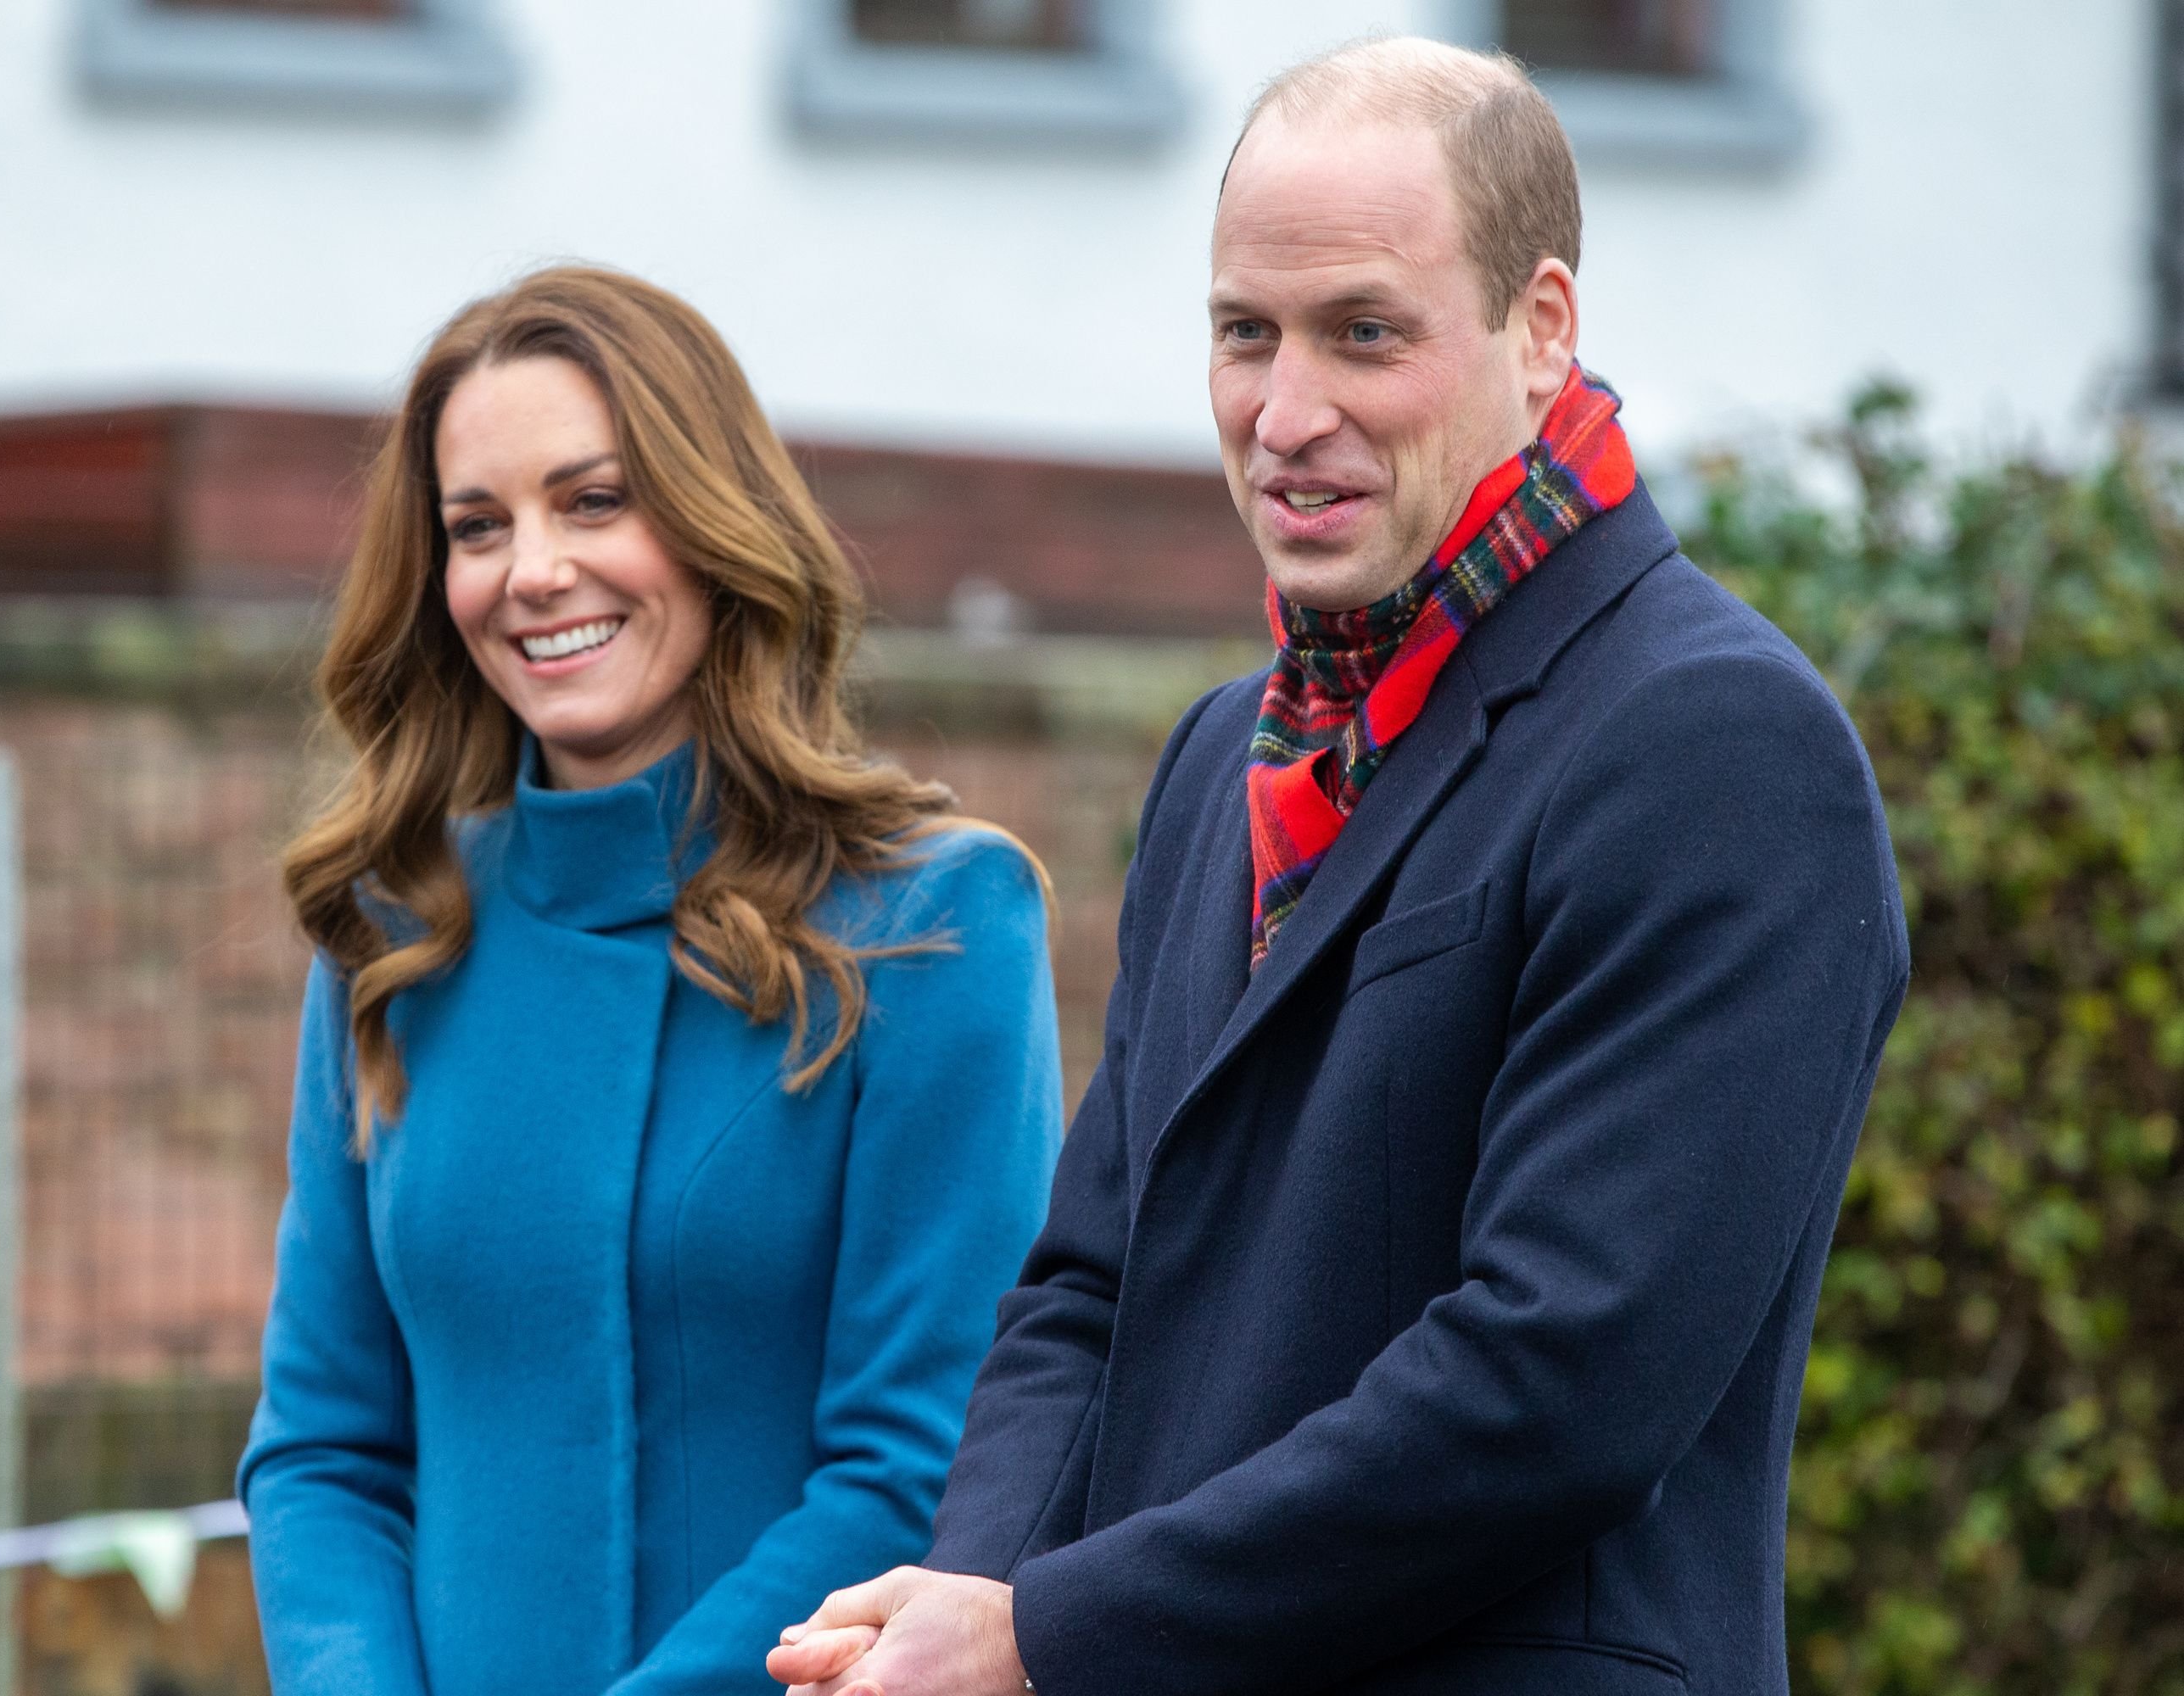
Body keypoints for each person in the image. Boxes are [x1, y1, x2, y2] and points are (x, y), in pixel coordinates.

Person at [768, 37, 1908, 1696]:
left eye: (1364, 332)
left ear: (1543, 333)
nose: (1284, 415)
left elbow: (1559, 1381)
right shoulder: (1233, 750)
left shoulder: (1714, 742)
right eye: (1246, 334)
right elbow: (1092, 1282)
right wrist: (964, 1593)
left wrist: (1045, 1638)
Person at [238, 266, 1063, 1696]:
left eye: (594, 500)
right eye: (478, 527)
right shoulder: (395, 933)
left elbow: (915, 1456)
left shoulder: (938, 923)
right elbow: (324, 1448)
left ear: (710, 519)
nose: (532, 570)